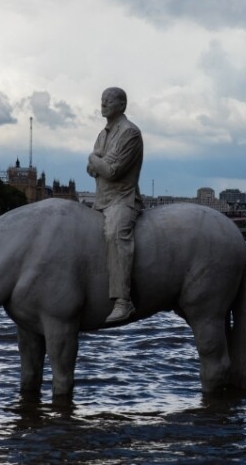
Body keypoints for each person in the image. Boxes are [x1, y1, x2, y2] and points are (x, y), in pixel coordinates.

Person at [87, 87, 144, 323]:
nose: (103, 103)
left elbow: (110, 171)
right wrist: (96, 162)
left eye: (108, 100)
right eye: (102, 99)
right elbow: (92, 170)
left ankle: (123, 301)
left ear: (122, 105)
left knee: (116, 235)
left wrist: (94, 158)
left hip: (122, 200)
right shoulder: (103, 134)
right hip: (101, 201)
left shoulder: (130, 133)